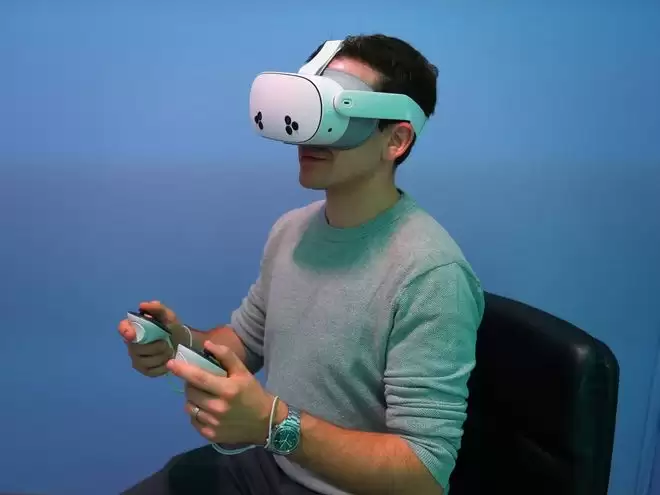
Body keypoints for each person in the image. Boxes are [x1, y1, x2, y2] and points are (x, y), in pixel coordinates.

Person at [120, 33, 485, 495]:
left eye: (336, 117)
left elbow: (424, 475)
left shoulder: (431, 275)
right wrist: (178, 343)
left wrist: (273, 424)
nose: (309, 135)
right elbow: (245, 342)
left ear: (396, 139)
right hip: (269, 464)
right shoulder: (291, 230)